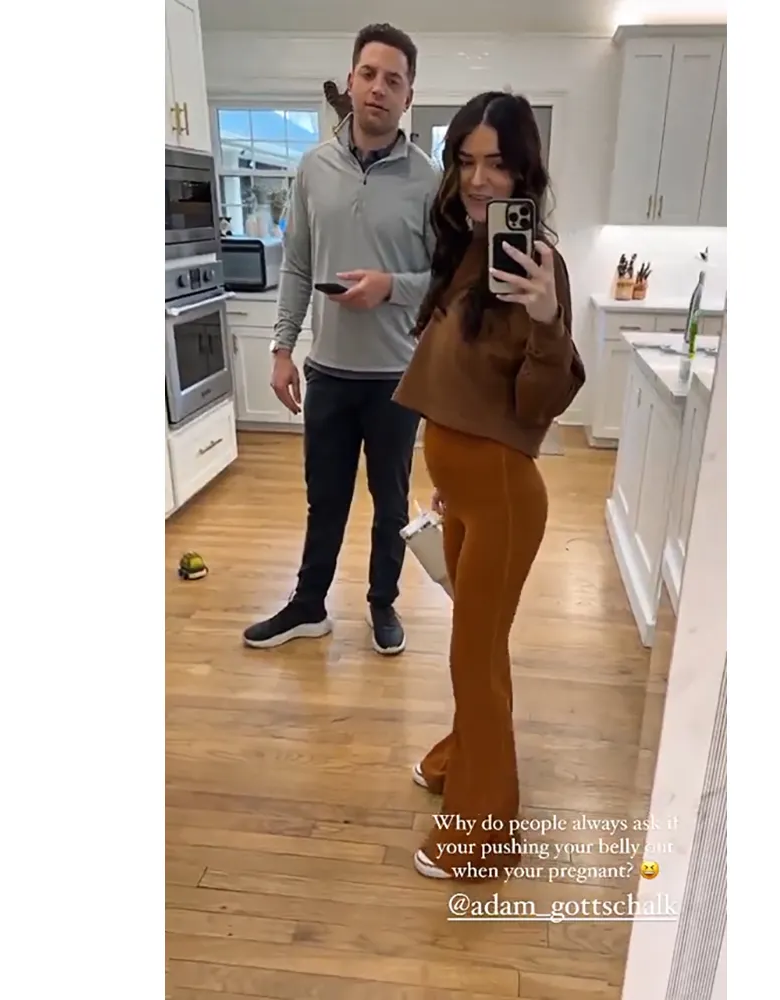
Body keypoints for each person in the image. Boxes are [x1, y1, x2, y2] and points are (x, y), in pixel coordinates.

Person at [391, 92, 586, 879]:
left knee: (474, 659)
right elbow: (459, 382)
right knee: (476, 652)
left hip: (505, 494)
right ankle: (462, 759)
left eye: (497, 164)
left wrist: (548, 317)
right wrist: (447, 479)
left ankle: (484, 836)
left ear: (524, 170)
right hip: (467, 490)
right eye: (466, 161)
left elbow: (539, 402)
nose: (478, 180)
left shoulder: (538, 264)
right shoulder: (466, 248)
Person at [242, 24, 440, 656]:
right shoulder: (312, 168)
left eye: (394, 80)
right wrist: (281, 349)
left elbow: (444, 280)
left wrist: (390, 287)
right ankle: (308, 606)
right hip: (326, 371)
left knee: (390, 505)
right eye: (369, 74)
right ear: (351, 80)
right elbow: (297, 265)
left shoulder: (430, 181)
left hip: (396, 378)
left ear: (408, 96)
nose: (379, 88)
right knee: (323, 500)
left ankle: (383, 604)